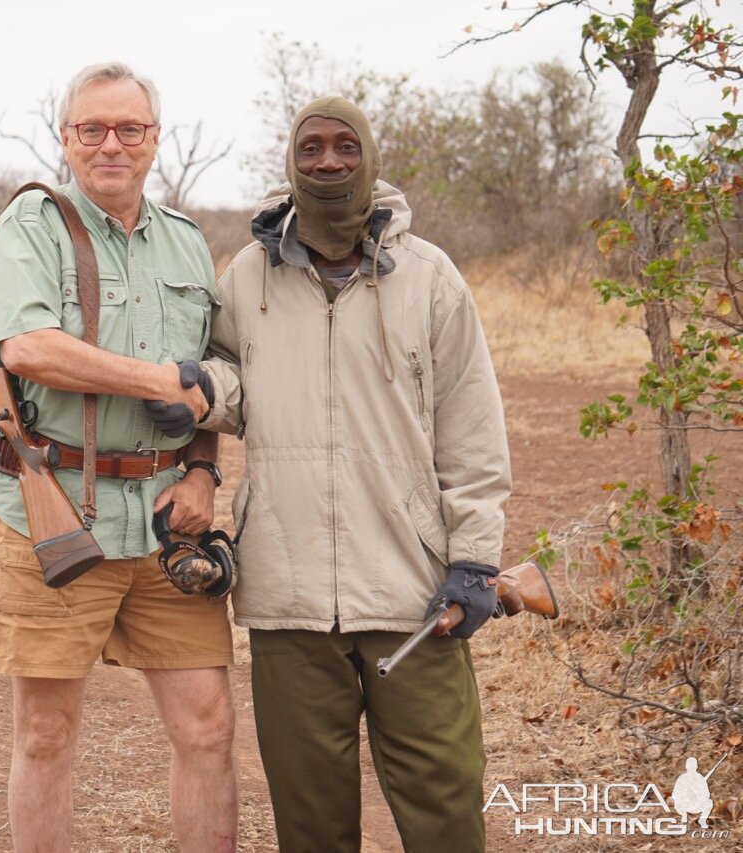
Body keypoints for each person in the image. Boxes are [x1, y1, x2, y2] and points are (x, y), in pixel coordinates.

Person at [194, 96, 512, 851]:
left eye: (344, 147)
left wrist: (473, 559)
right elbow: (232, 379)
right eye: (311, 149)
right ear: (290, 161)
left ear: (369, 156)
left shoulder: (429, 276)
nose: (328, 162)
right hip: (287, 597)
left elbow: (472, 431)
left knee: (445, 812)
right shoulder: (247, 276)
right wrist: (201, 392)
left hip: (414, 594)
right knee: (310, 827)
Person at [0, 61, 237, 852]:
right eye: (93, 129)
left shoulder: (189, 244)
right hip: (52, 511)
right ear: (67, 138)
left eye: (129, 128)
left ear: (155, 139)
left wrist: (201, 469)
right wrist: (155, 378)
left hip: (166, 522)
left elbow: (205, 382)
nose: (111, 144)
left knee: (208, 726)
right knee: (47, 731)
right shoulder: (30, 226)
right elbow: (26, 345)